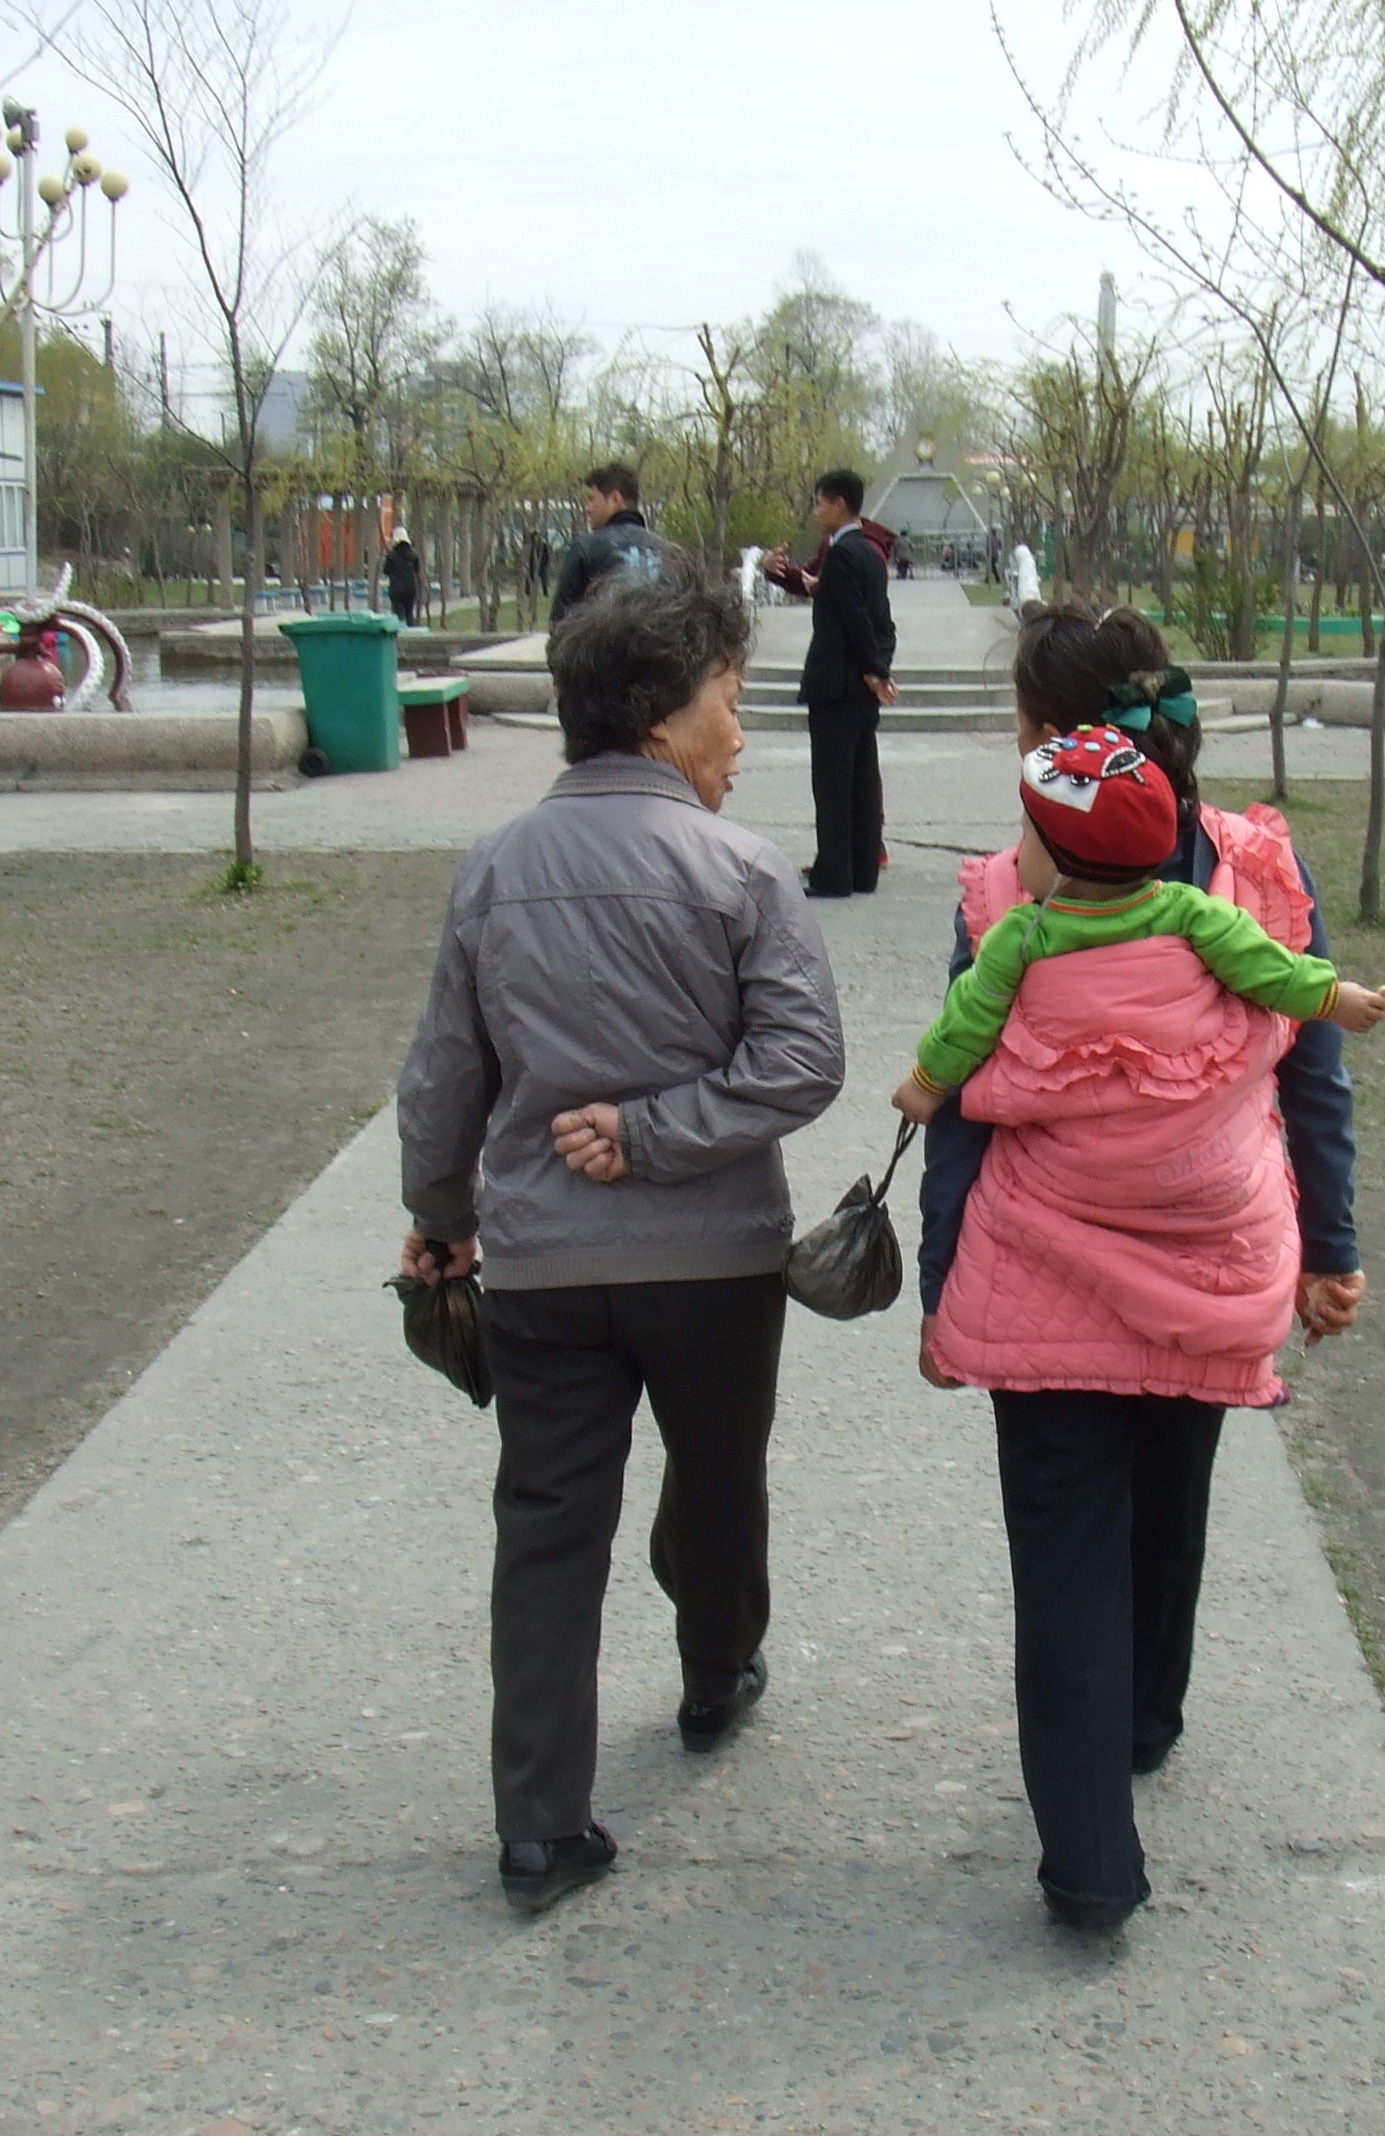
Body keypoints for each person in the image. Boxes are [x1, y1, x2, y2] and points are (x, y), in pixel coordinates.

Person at [396, 555, 845, 1919]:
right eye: (730, 699)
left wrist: (442, 1220)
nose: (742, 732)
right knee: (717, 1482)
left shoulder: (493, 870)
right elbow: (804, 1062)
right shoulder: (740, 868)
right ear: (661, 716)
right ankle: (718, 1672)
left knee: (546, 1529)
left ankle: (539, 1825)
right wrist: (664, 1134)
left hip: (539, 1269)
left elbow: (441, 1080)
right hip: (712, 1266)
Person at [913, 604, 1364, 1932]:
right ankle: (1148, 1716)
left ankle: (1089, 1866)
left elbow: (955, 1096)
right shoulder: (1257, 875)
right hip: (1214, 1264)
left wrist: (945, 1288)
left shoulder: (1008, 900)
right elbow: (1318, 1072)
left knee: (1064, 1553)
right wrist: (1329, 1247)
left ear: (1057, 745)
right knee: (1172, 1502)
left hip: (1039, 1271)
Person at [894, 724, 1385, 1118]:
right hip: (1186, 1157)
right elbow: (1267, 967)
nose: (1019, 849)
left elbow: (970, 1018)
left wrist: (926, 1083)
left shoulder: (1023, 935)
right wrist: (1333, 997)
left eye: (1029, 835)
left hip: (1081, 1158)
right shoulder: (1189, 910)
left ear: (1063, 861)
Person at [760, 470, 896, 899]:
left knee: (834, 783)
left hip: (836, 685)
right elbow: (881, 622)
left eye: (820, 502)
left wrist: (877, 669)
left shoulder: (842, 555)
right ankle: (862, 871)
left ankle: (834, 875)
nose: (816, 511)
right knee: (861, 779)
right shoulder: (870, 553)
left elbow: (857, 620)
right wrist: (878, 670)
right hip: (859, 687)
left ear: (839, 504)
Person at [545, 462, 670, 630]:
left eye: (591, 499)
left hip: (601, 654)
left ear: (615, 498)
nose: (587, 508)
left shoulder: (586, 549)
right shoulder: (670, 553)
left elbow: (560, 626)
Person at [382, 531, 422, 627]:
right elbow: (417, 571)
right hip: (410, 590)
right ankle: (412, 635)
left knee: (399, 615)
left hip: (396, 590)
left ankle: (401, 636)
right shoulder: (414, 555)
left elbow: (386, 571)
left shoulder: (391, 556)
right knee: (409, 614)